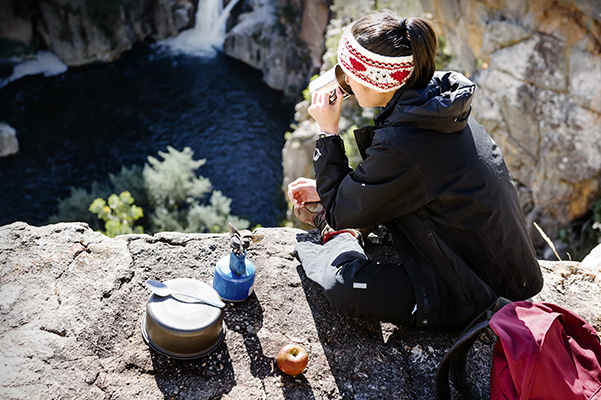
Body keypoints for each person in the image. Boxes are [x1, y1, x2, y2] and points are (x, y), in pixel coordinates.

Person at [287, 10, 543, 331]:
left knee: (343, 285)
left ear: (376, 80)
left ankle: (341, 238)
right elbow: (405, 182)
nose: (343, 79)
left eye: (349, 72)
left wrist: (328, 134)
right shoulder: (432, 103)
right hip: (491, 265)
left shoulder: (407, 138)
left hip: (472, 289)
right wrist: (336, 189)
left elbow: (344, 209)